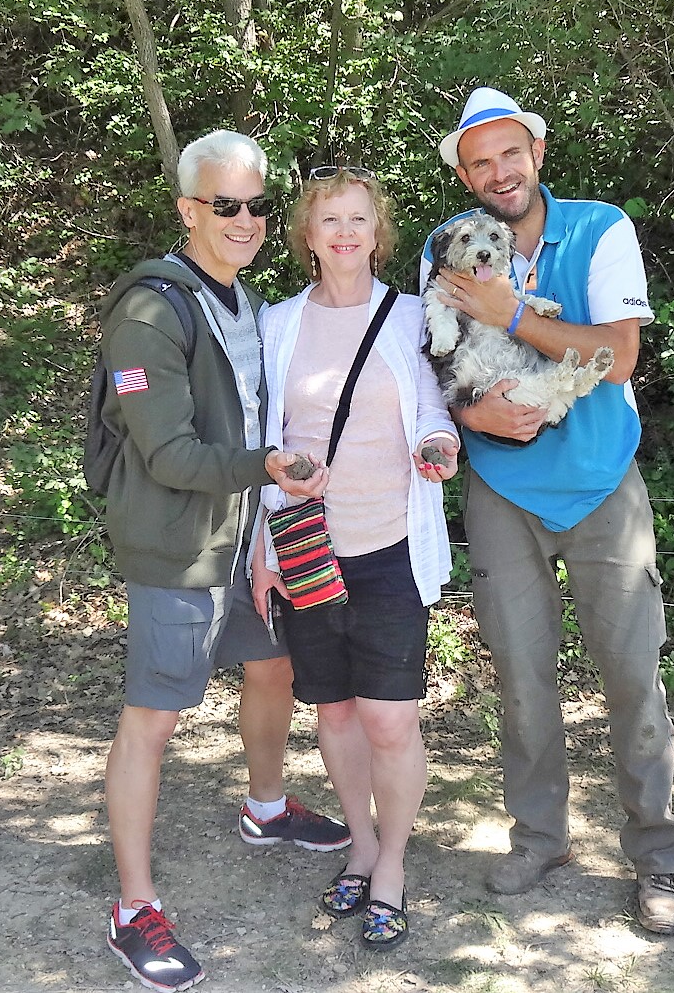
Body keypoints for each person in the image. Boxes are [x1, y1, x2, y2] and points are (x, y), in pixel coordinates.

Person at [420, 88, 674, 935]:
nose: (498, 172)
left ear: (537, 154)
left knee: (633, 674)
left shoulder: (601, 228)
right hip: (503, 491)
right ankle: (541, 837)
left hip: (603, 481)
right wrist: (473, 418)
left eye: (511, 154)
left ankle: (658, 855)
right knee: (522, 676)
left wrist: (509, 314)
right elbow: (430, 368)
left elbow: (619, 355)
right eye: (480, 163)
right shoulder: (447, 248)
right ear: (465, 176)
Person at [100, 130, 352, 992]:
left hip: (244, 535)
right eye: (225, 205)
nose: (244, 220)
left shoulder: (244, 301)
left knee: (273, 665)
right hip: (177, 545)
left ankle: (267, 806)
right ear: (188, 209)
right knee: (154, 718)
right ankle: (134, 908)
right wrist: (269, 467)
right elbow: (169, 453)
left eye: (256, 204)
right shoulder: (150, 312)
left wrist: (264, 511)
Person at [252, 166, 459, 951]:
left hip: (390, 548)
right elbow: (265, 436)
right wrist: (264, 543)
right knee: (334, 711)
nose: (345, 232)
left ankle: (394, 865)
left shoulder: (410, 316)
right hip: (307, 550)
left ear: (379, 233)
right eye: (330, 219)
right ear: (308, 235)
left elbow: (434, 405)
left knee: (390, 720)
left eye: (358, 219)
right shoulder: (278, 322)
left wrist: (437, 441)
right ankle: (362, 849)